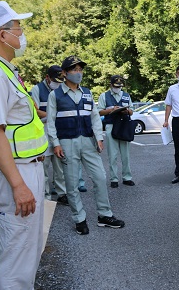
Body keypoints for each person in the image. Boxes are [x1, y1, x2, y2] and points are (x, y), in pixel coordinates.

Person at [0, 1, 49, 289]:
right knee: (16, 261)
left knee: (25, 253)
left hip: (23, 170)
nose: (22, 33)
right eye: (18, 28)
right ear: (3, 35)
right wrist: (18, 185)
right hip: (14, 173)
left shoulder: (1, 69)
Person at [47, 55, 125, 234]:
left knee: (100, 177)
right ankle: (79, 219)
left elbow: (95, 117)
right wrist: (56, 143)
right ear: (65, 73)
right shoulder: (55, 95)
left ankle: (104, 215)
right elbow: (50, 122)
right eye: (74, 70)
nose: (78, 73)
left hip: (89, 142)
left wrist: (99, 137)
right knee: (72, 184)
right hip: (67, 143)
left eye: (80, 69)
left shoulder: (88, 93)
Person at [30, 65, 70, 203]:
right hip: (43, 132)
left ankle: (62, 193)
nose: (57, 84)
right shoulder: (36, 90)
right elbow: (34, 111)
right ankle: (45, 196)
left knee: (59, 166)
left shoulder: (61, 89)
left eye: (60, 81)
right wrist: (52, 116)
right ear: (47, 78)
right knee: (44, 167)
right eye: (55, 81)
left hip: (58, 132)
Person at [98, 75, 135, 188]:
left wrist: (127, 111)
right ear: (111, 85)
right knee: (112, 155)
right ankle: (114, 178)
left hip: (124, 125)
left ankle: (127, 177)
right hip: (111, 125)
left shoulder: (126, 95)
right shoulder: (104, 96)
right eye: (116, 86)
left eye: (120, 86)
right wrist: (110, 110)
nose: (118, 88)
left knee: (125, 155)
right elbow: (99, 112)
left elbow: (132, 111)